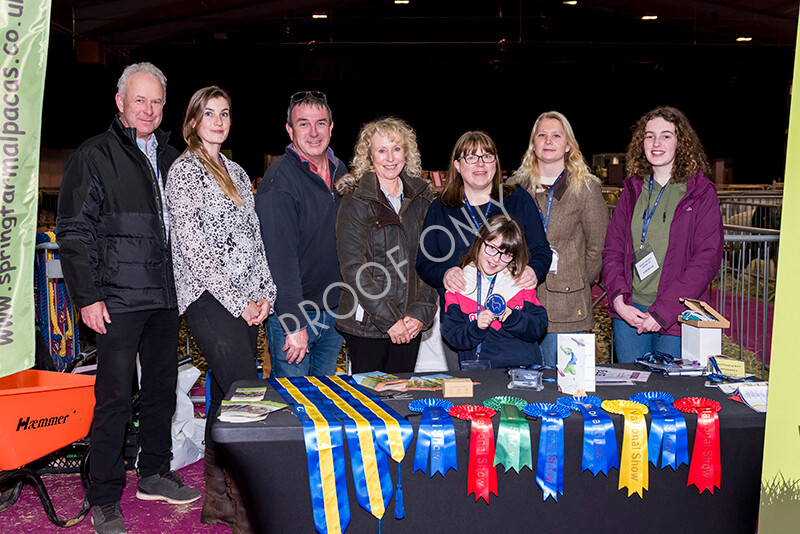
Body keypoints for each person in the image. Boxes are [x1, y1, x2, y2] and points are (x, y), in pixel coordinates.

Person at [56, 63, 200, 534]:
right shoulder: (94, 156)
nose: (149, 109)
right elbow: (75, 231)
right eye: (140, 100)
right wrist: (88, 296)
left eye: (157, 101)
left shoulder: (173, 158)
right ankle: (104, 497)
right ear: (120, 102)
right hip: (115, 300)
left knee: (161, 391)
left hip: (164, 297)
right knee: (114, 399)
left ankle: (155, 473)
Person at [166, 86, 276, 531]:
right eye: (208, 113)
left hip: (247, 301)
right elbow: (194, 250)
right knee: (247, 394)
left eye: (224, 113)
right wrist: (238, 301)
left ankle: (218, 500)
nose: (218, 120)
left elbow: (254, 238)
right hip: (208, 299)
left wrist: (265, 292)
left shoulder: (235, 169)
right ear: (193, 121)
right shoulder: (184, 172)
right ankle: (250, 507)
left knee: (228, 398)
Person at [416, 130, 551, 371]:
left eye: (487, 156)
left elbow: (541, 249)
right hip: (462, 324)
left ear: (496, 163)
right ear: (457, 165)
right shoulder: (441, 208)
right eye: (470, 157)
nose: (480, 163)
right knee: (466, 398)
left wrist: (534, 270)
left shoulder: (518, 200)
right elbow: (424, 262)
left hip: (513, 323)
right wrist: (444, 274)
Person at [602, 106, 723, 362]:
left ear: (681, 142)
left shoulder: (700, 192)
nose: (656, 143)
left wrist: (663, 312)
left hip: (676, 317)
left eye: (666, 136)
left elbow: (707, 259)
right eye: (649, 136)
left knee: (669, 397)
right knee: (629, 397)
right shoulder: (632, 190)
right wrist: (618, 300)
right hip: (629, 314)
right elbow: (612, 250)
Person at [334, 117, 437, 373]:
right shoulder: (356, 200)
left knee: (402, 400)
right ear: (370, 156)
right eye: (382, 150)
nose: (390, 158)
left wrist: (419, 313)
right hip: (368, 326)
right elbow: (353, 268)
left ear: (406, 152)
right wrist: (391, 321)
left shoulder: (423, 197)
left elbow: (432, 261)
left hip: (410, 323)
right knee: (369, 406)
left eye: (396, 149)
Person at [255, 91, 347, 377]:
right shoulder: (279, 181)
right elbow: (279, 260)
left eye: (321, 123)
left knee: (324, 402)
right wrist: (294, 324)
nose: (314, 132)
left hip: (333, 311)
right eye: (303, 124)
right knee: (294, 407)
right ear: (290, 130)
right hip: (296, 315)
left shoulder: (340, 170)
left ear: (331, 127)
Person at [510, 111, 608, 366]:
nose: (548, 140)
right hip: (520, 300)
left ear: (568, 145)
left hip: (568, 305)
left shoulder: (586, 188)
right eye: (541, 135)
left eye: (556, 135)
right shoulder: (514, 187)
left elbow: (597, 249)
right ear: (533, 144)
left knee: (565, 386)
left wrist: (574, 280)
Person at [441, 215, 548, 368]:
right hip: (480, 374)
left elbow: (539, 326)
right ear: (479, 242)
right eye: (492, 248)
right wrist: (476, 327)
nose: (496, 259)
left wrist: (514, 318)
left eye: (506, 254)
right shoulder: (458, 284)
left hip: (522, 372)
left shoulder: (521, 282)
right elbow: (452, 335)